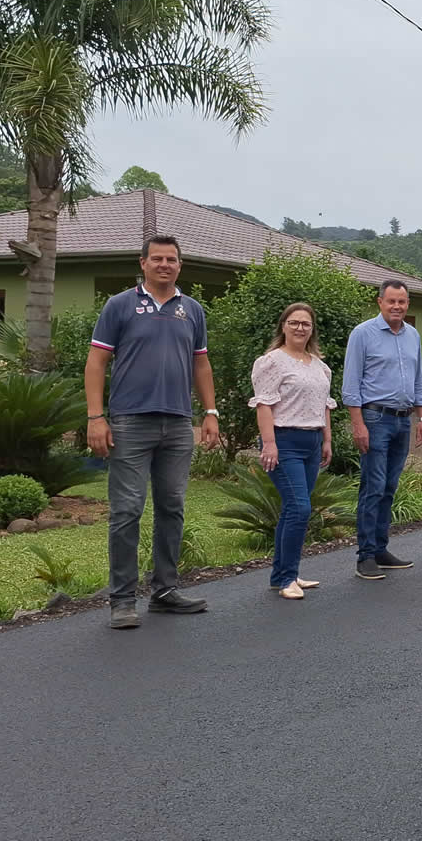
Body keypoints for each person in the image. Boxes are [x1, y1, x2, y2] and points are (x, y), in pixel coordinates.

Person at [85, 235, 219, 629]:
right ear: (142, 263)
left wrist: (209, 412)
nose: (165, 264)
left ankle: (164, 591)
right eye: (157, 258)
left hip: (178, 423)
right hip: (130, 421)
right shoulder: (120, 305)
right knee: (127, 510)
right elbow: (96, 363)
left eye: (172, 259)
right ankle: (123, 599)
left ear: (180, 266)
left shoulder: (192, 310)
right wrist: (96, 417)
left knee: (172, 507)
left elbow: (202, 365)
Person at [342, 280, 422, 580]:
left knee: (390, 487)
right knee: (373, 486)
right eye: (391, 301)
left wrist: (421, 416)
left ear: (408, 304)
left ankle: (381, 549)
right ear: (380, 302)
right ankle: (365, 555)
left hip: (403, 419)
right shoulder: (363, 334)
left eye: (402, 302)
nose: (397, 307)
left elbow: (418, 377)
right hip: (375, 419)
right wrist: (358, 424)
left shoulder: (413, 335)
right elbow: (351, 384)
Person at [250, 303, 337, 600]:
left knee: (293, 510)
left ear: (312, 329)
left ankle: (285, 574)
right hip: (284, 441)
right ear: (283, 326)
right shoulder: (271, 362)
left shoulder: (319, 365)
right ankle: (286, 577)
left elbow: (324, 406)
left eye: (306, 323)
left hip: (312, 441)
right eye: (294, 322)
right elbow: (264, 404)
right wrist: (269, 443)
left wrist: (327, 440)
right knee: (300, 508)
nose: (300, 328)